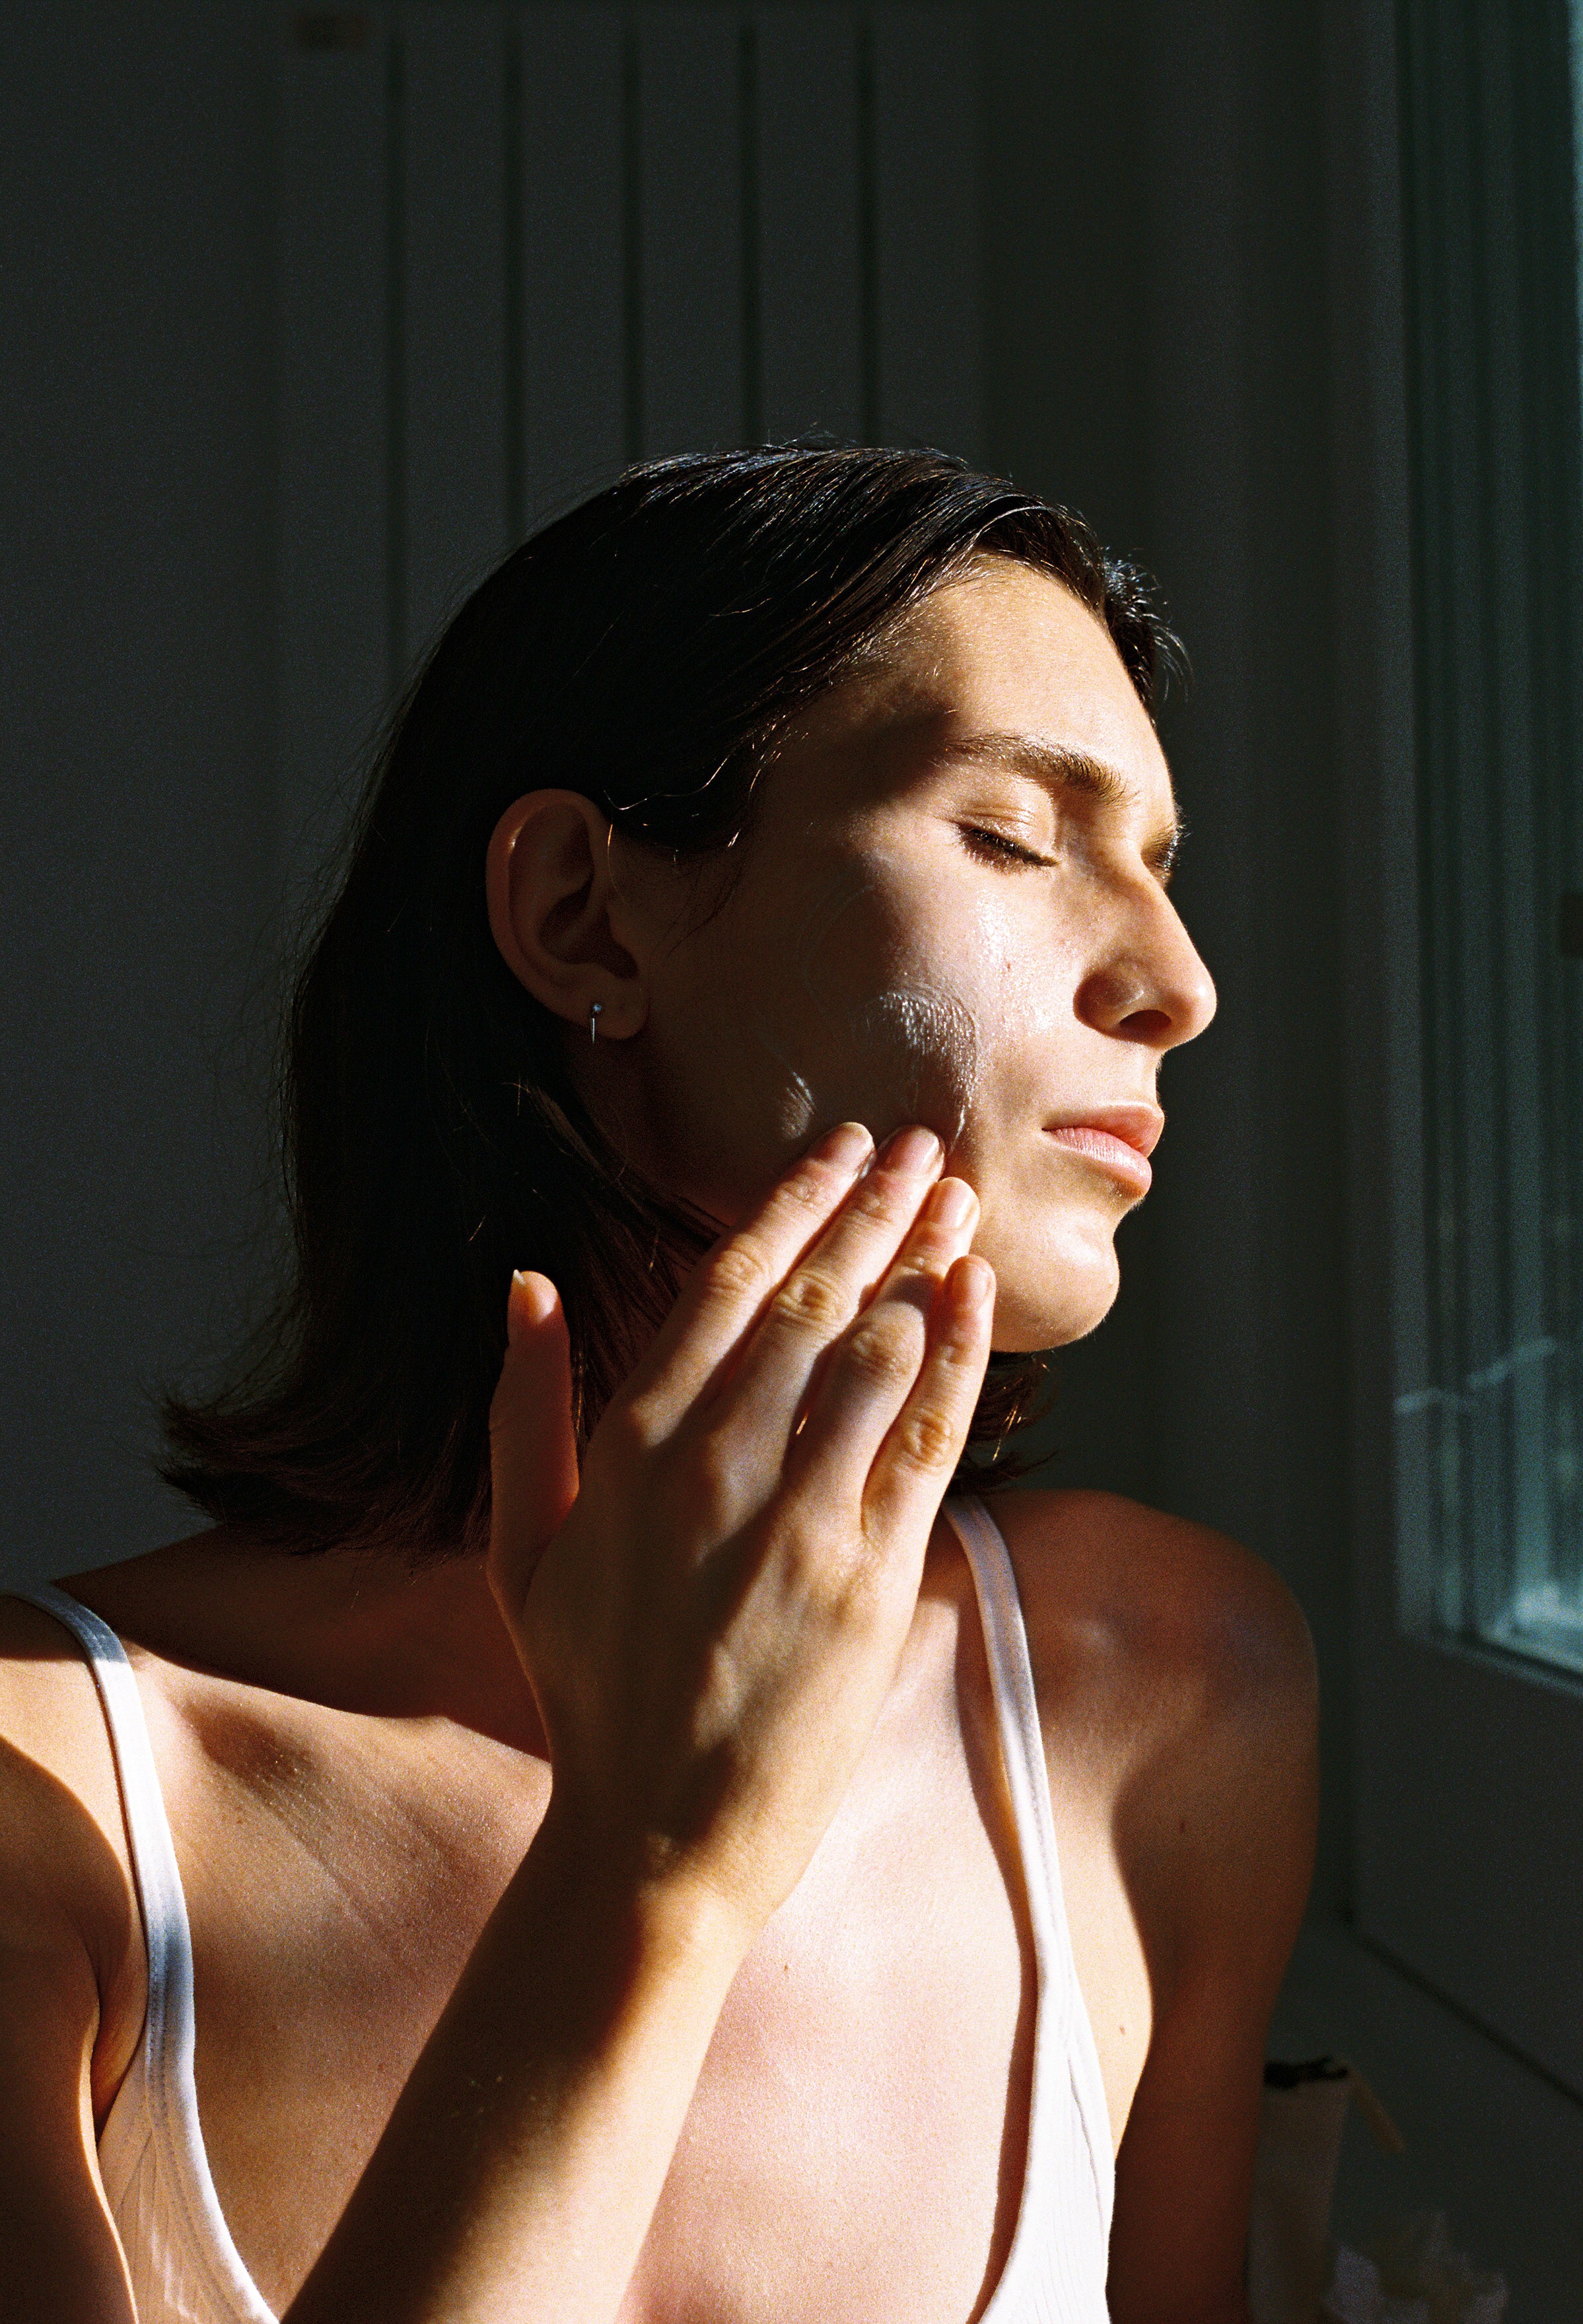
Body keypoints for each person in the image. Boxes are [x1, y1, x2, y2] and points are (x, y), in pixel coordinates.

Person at [0, 448, 1317, 2324]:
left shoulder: (1167, 1699)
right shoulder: (44, 1800)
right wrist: (648, 1874)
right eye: (1019, 836)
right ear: (584, 918)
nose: (1175, 981)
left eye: (1164, 872)